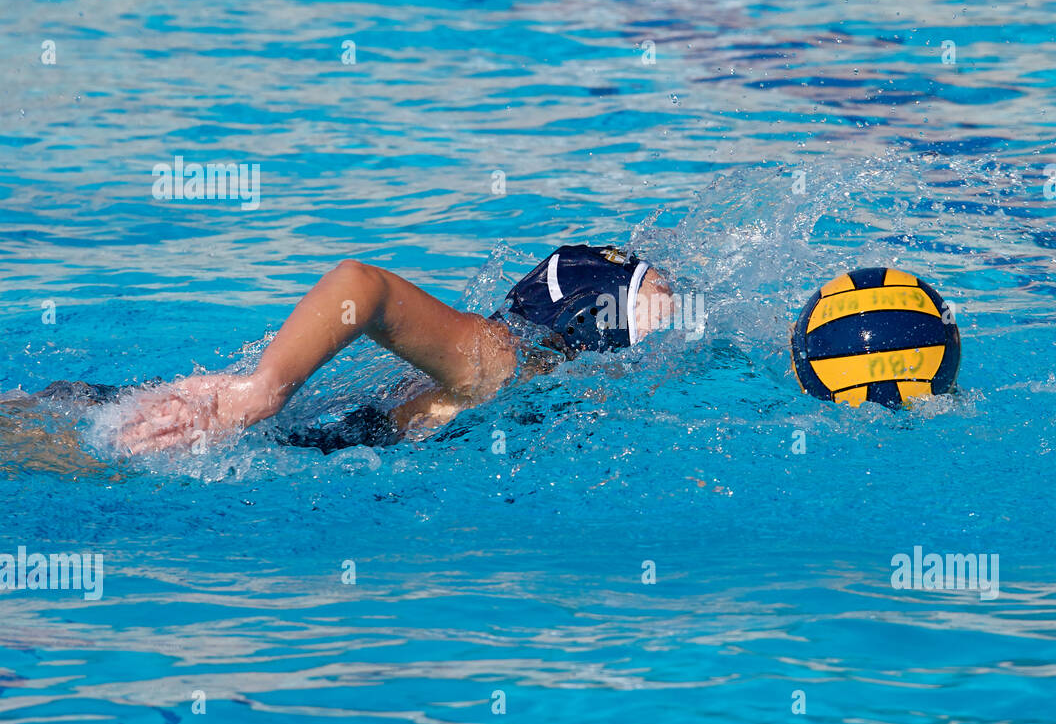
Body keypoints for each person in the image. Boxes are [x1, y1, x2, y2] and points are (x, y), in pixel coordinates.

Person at [55, 244, 671, 455]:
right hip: (265, 446)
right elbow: (360, 284)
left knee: (49, 412)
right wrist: (258, 392)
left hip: (278, 438)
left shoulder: (510, 355)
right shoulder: (503, 362)